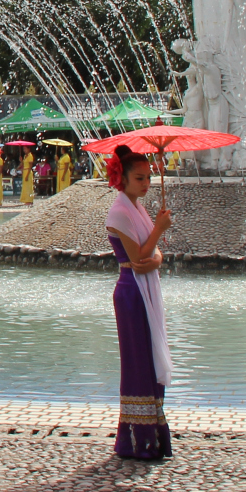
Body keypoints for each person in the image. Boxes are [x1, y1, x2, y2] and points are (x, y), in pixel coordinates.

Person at [104, 144, 173, 460]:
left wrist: (154, 256)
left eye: (148, 177)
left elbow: (151, 256)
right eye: (139, 178)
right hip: (132, 292)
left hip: (143, 283)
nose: (146, 184)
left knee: (148, 358)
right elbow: (139, 256)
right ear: (123, 179)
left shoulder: (136, 207)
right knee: (138, 362)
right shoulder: (119, 211)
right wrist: (158, 233)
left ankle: (151, 432)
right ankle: (136, 437)